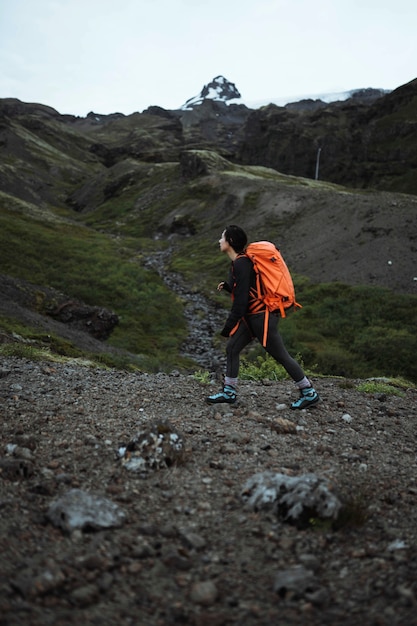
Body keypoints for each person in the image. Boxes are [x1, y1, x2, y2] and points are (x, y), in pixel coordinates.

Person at [206, 225, 320, 409]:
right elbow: (248, 289)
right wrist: (229, 287)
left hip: (261, 318)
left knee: (280, 355)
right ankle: (229, 393)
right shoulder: (241, 262)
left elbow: (241, 300)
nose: (219, 241)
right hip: (254, 316)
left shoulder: (241, 263)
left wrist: (229, 325)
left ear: (231, 242)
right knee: (232, 348)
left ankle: (309, 392)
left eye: (222, 237)